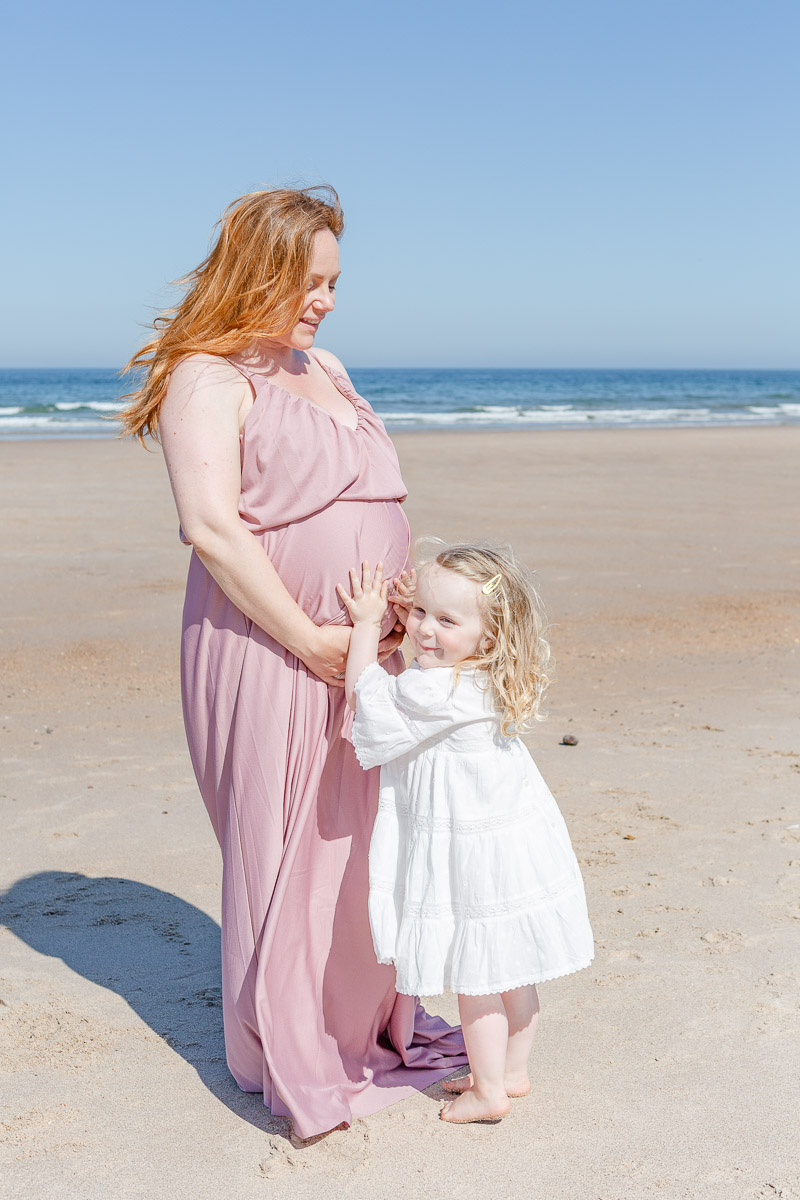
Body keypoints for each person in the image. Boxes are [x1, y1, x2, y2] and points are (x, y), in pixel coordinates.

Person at [118, 186, 466, 1139]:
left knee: (362, 848)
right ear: (257, 272)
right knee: (286, 843)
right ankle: (291, 1041)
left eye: (334, 282)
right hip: (264, 644)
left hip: (361, 650)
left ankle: (362, 1023)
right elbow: (214, 532)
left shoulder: (327, 365)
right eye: (309, 281)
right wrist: (310, 639)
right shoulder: (209, 376)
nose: (326, 299)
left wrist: (392, 621)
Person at [336, 544, 594, 1124]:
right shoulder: (485, 676)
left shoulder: (435, 689)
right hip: (510, 843)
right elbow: (431, 652)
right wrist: (430, 609)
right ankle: (515, 1071)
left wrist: (368, 624)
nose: (425, 630)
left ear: (490, 635)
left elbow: (367, 699)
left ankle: (488, 1090)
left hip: (467, 848)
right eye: (421, 611)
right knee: (512, 967)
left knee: (476, 978)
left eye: (447, 620)